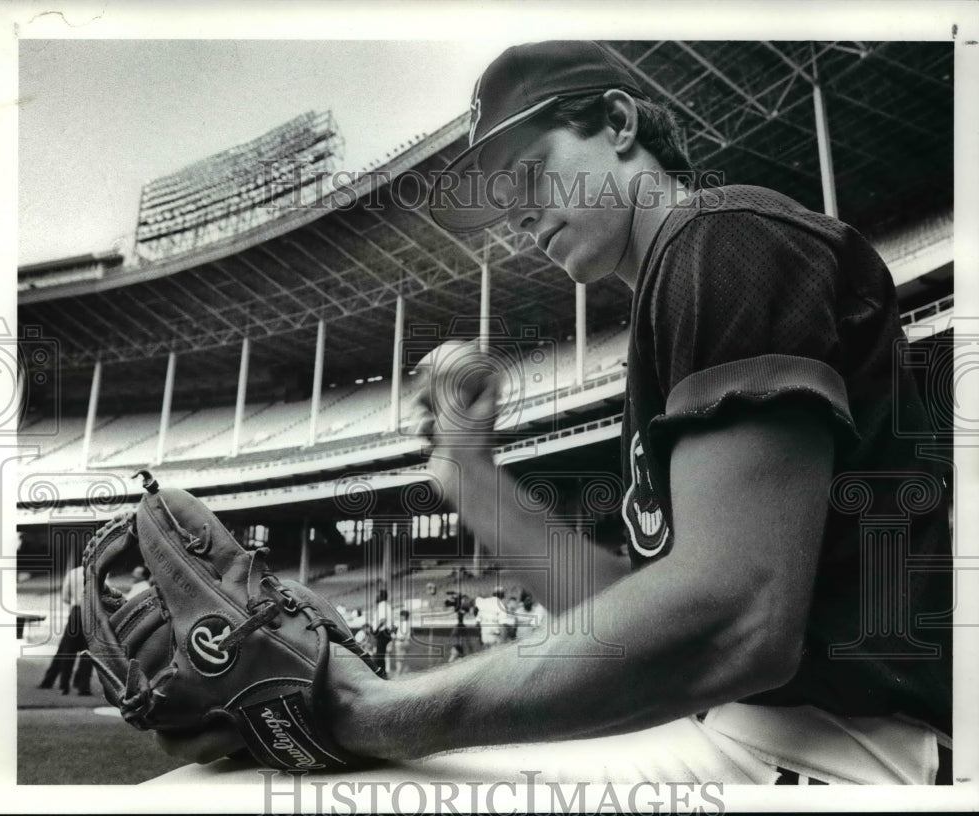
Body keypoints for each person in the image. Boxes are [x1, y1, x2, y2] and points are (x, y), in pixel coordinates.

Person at [159, 41, 952, 785]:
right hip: (768, 736)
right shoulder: (678, 290)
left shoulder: (723, 238)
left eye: (531, 174)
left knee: (214, 795)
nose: (520, 216)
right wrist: (469, 477)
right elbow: (629, 618)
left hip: (852, 752)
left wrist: (373, 712)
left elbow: (734, 619)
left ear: (618, 122)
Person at [37, 563, 94, 696]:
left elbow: (65, 597)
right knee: (88, 650)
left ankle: (62, 683)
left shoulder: (73, 573)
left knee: (67, 648)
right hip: (91, 613)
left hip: (76, 611)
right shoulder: (99, 573)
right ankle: (83, 686)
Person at [391, 609, 412, 676]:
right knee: (404, 659)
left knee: (399, 660)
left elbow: (401, 637)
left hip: (401, 643)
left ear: (403, 616)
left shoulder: (404, 624)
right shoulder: (407, 624)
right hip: (406, 643)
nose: (400, 617)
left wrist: (393, 635)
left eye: (400, 616)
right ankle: (404, 673)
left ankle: (398, 674)